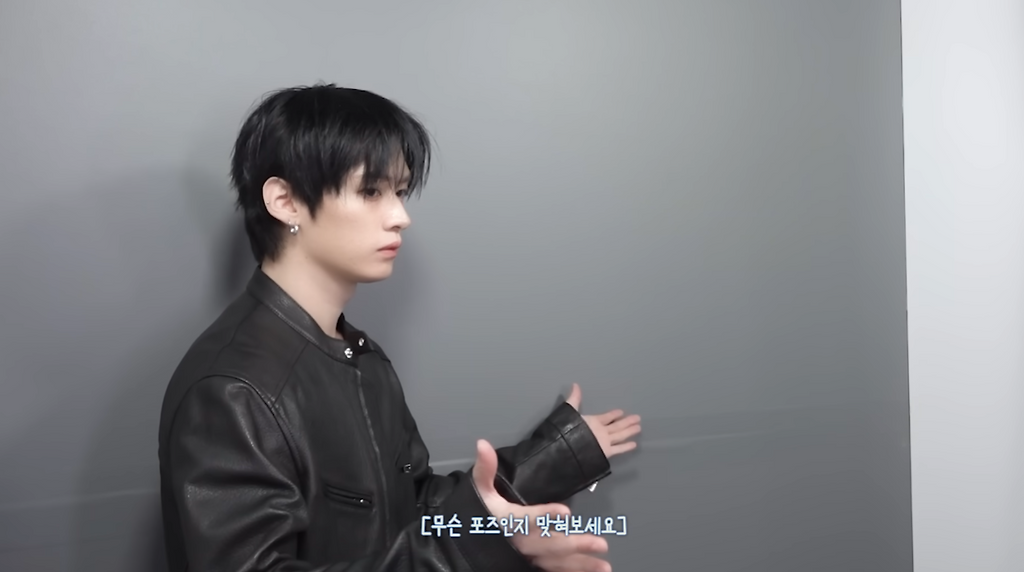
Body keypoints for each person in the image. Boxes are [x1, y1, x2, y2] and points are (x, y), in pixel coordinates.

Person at [157, 84, 642, 572]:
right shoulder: (232, 391)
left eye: (400, 192)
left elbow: (412, 512)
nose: (400, 217)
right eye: (371, 191)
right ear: (286, 201)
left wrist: (555, 459)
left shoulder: (359, 358)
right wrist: (480, 551)